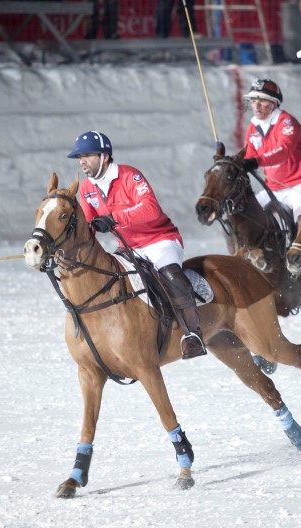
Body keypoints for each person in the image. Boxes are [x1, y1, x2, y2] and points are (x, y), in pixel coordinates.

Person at [67, 130, 207, 359]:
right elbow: (88, 226)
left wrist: (113, 218)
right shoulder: (87, 188)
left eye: (88, 155)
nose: (82, 161)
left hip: (160, 240)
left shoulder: (130, 176)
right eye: (79, 157)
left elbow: (150, 208)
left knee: (172, 276)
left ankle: (193, 335)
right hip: (128, 247)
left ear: (104, 156)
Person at [240, 78, 301, 229]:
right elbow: (248, 155)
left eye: (262, 100)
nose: (256, 105)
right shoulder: (253, 127)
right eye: (253, 100)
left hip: (299, 186)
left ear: (273, 103)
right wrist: (231, 162)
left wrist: (256, 161)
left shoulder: (287, 122)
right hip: (273, 189)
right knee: (247, 215)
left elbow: (284, 151)